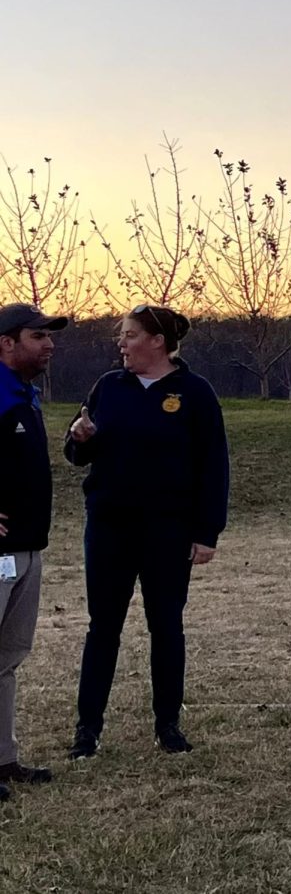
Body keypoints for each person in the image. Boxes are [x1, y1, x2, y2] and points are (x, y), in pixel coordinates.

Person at [64, 305, 229, 759]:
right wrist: (80, 439)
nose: (122, 343)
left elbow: (214, 465)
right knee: (103, 628)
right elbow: (78, 451)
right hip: (109, 527)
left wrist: (206, 531)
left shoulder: (194, 393)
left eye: (130, 335)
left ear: (158, 341)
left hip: (169, 531)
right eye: (122, 336)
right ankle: (88, 729)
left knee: (166, 626)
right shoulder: (108, 387)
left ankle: (168, 725)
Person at [0, 304, 66, 800]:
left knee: (8, 659)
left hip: (27, 549)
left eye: (50, 337)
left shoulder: (27, 394)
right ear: (6, 342)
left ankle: (4, 760)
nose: (48, 345)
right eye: (38, 336)